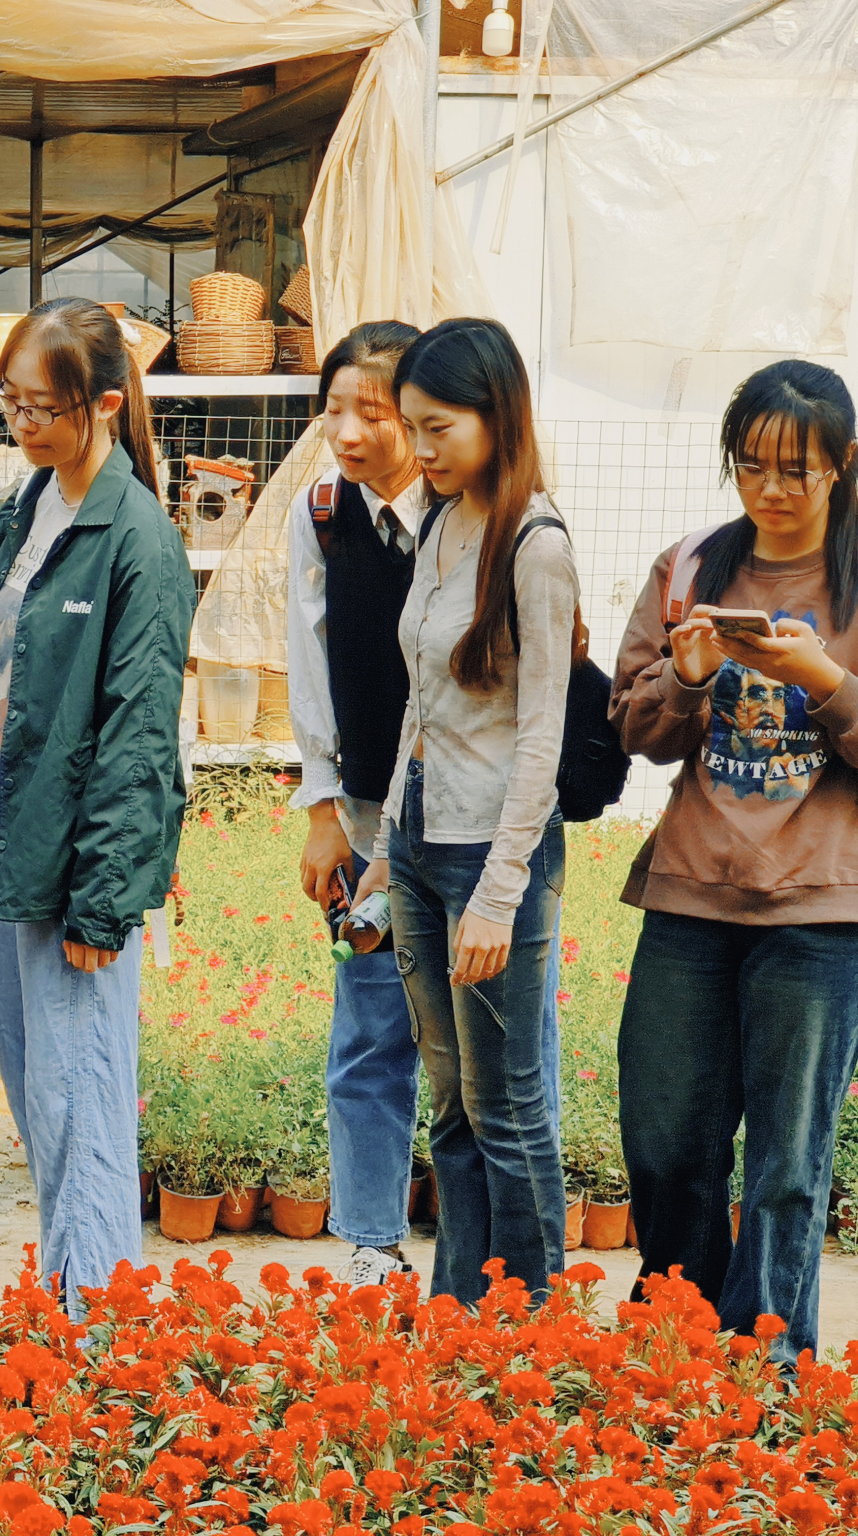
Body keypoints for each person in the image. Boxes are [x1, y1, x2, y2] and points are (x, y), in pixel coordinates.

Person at [0, 298, 193, 1310]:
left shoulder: (138, 541)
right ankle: (70, 1307)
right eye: (10, 401)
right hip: (5, 848)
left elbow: (138, 737)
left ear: (103, 405)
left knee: (80, 1103)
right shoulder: (28, 505)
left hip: (72, 879)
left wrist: (102, 901)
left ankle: (96, 1342)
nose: (24, 424)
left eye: (44, 406)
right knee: (38, 1104)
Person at [610, 359, 858, 1365]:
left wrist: (824, 682)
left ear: (841, 466)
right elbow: (631, 727)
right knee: (666, 1146)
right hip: (688, 901)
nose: (770, 487)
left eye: (794, 467)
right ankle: (678, 1357)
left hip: (820, 913)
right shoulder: (688, 569)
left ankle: (762, 1379)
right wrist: (685, 673)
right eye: (750, 464)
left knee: (785, 1170)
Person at [360, 317, 577, 1306]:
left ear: (496, 416)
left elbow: (540, 735)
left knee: (507, 1104)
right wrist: (378, 853)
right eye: (412, 425)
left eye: (437, 426)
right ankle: (459, 1312)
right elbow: (418, 692)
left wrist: (497, 893)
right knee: (446, 1106)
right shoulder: (440, 521)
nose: (421, 448)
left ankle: (531, 1329)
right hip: (414, 844)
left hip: (491, 856)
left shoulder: (534, 541)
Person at [287, 321, 428, 1289]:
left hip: (459, 817)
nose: (344, 429)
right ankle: (371, 1244)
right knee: (368, 1024)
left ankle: (487, 1253)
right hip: (367, 809)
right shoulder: (323, 512)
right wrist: (321, 804)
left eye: (368, 412)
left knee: (476, 1046)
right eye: (332, 407)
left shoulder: (469, 515)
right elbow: (307, 656)